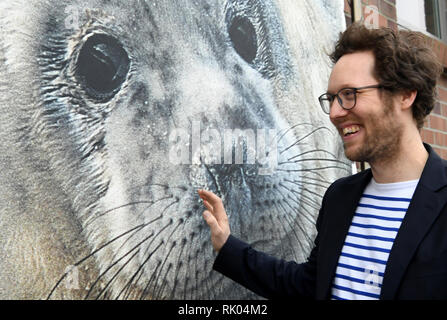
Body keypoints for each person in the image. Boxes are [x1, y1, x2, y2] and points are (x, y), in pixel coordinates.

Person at [197, 22, 447, 300]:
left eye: (350, 95)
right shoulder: (340, 197)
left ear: (405, 94)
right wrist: (227, 247)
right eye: (332, 99)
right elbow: (308, 285)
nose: (335, 113)